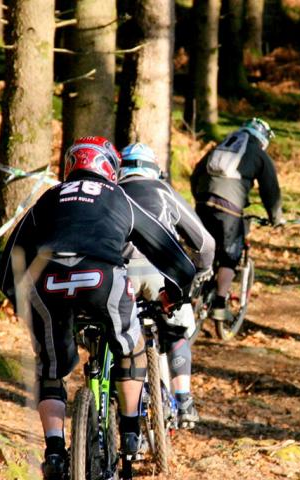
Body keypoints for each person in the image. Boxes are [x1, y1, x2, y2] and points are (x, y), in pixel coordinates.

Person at [0, 136, 195, 480]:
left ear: (71, 165)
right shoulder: (119, 197)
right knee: (131, 346)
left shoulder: (48, 198)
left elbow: (7, 266)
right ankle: (131, 433)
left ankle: (56, 452)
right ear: (109, 167)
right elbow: (172, 254)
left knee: (51, 368)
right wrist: (174, 294)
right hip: (102, 279)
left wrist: (24, 304)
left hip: (48, 283)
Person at [118, 142, 215, 428]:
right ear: (154, 170)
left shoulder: (111, 193)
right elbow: (204, 242)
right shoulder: (163, 191)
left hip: (119, 274)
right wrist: (202, 270)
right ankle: (184, 399)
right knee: (178, 328)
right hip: (160, 272)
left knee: (118, 332)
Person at [190, 118, 283, 321]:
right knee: (230, 255)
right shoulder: (259, 153)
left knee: (203, 247)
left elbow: (196, 174)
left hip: (203, 203)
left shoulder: (222, 146)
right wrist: (276, 218)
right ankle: (220, 305)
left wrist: (200, 198)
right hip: (229, 209)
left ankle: (190, 294)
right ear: (263, 139)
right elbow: (271, 190)